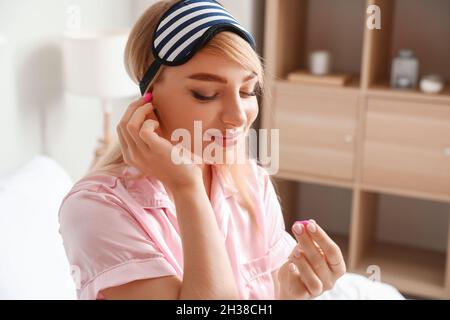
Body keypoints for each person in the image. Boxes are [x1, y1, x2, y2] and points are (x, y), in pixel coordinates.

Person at [58, 0, 404, 300]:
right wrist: (186, 186)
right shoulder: (95, 208)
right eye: (205, 94)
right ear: (149, 100)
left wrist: (291, 294)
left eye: (248, 91)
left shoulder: (249, 179)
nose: (238, 117)